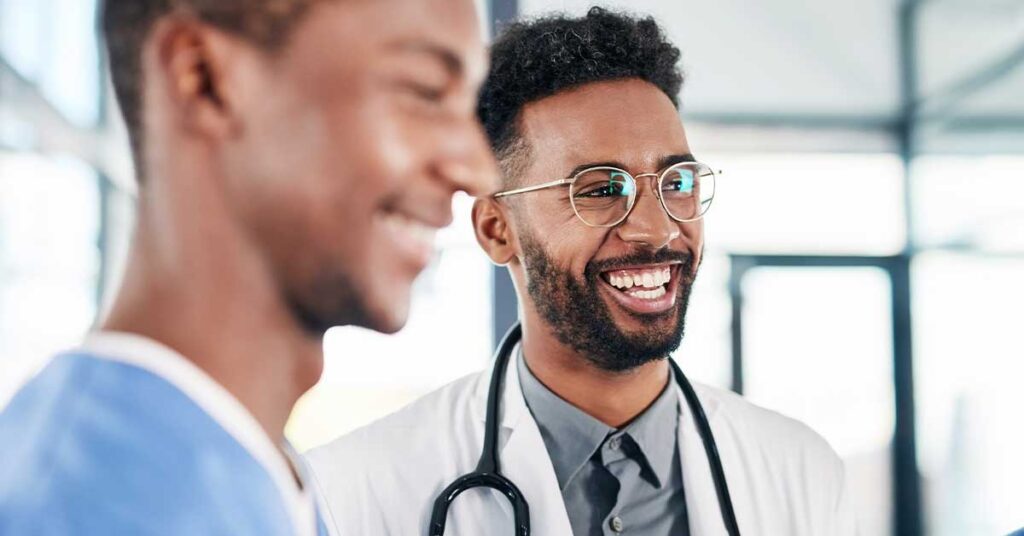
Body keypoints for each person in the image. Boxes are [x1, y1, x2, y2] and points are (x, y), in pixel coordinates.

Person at [307, 7, 859, 536]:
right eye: (599, 190)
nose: (657, 230)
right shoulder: (356, 492)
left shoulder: (802, 474)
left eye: (677, 183)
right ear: (497, 230)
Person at [0, 0, 496, 534]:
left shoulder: (252, 472)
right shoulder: (81, 512)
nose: (478, 171)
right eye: (424, 91)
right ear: (203, 79)